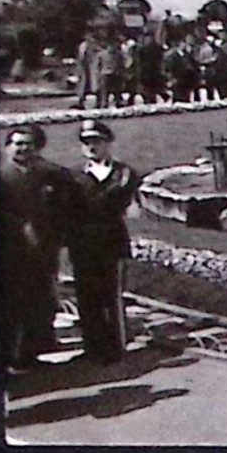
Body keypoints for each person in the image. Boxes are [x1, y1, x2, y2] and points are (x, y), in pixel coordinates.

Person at [66, 119, 142, 364]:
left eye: (96, 141)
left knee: (112, 294)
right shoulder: (73, 175)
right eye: (86, 142)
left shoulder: (124, 173)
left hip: (112, 241)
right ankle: (93, 348)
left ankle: (115, 347)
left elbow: (120, 200)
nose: (91, 147)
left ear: (108, 143)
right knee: (87, 296)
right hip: (82, 243)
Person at [1, 124, 68, 369]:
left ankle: (34, 351)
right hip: (10, 249)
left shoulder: (49, 173)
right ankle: (10, 355)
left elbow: (65, 204)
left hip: (44, 246)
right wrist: (20, 227)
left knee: (41, 297)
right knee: (12, 303)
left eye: (27, 143)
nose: (22, 148)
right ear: (8, 147)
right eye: (17, 143)